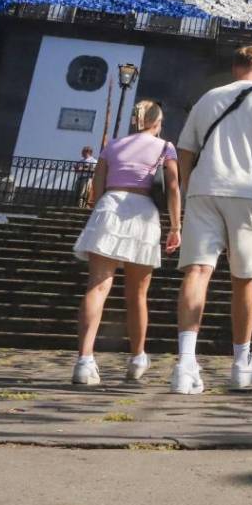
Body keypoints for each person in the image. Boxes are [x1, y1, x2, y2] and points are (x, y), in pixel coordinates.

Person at [173, 46, 252, 394]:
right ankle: (241, 364)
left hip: (204, 190)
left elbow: (185, 150)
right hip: (248, 194)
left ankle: (185, 365)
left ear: (235, 69)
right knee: (243, 279)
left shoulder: (208, 97)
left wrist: (188, 184)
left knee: (197, 271)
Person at [71, 99, 181, 386]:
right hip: (143, 212)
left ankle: (84, 361)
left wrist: (99, 209)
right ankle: (136, 358)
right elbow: (172, 187)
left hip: (110, 206)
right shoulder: (165, 147)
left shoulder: (113, 145)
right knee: (137, 294)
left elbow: (98, 185)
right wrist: (176, 226)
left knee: (97, 286)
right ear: (158, 122)